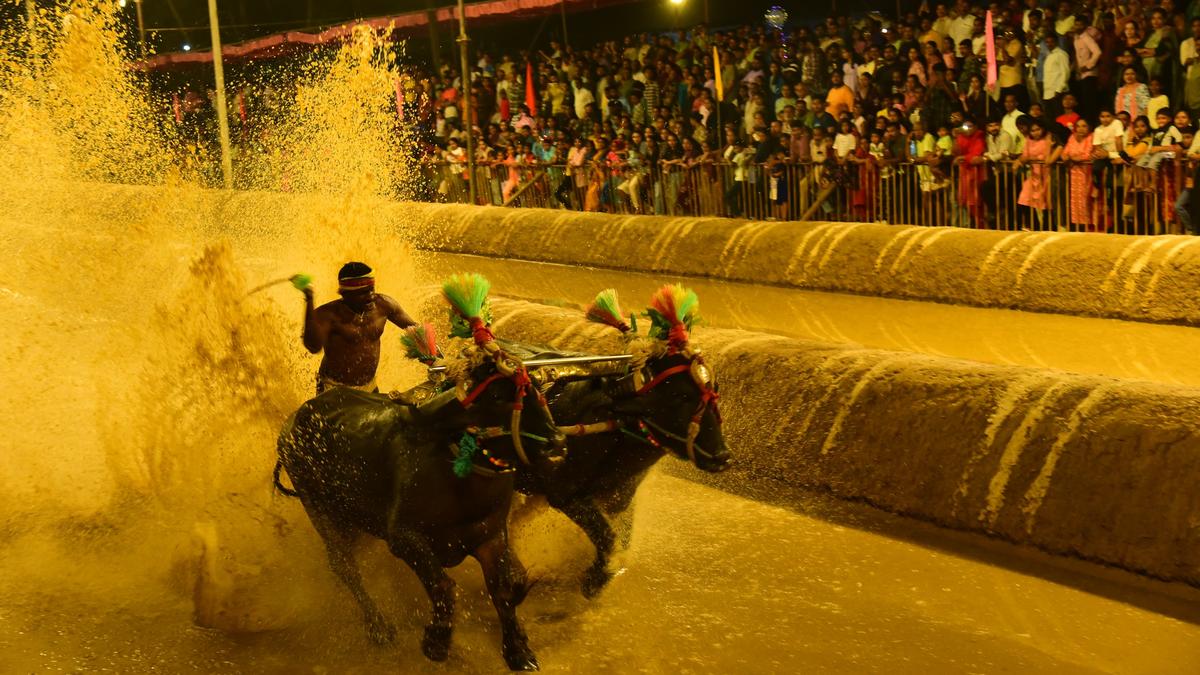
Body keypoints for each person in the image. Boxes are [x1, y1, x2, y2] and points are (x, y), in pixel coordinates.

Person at [299, 263, 418, 394]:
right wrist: (309, 300)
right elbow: (313, 347)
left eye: (372, 289)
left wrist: (435, 358)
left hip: (370, 388)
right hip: (333, 390)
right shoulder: (328, 315)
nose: (371, 296)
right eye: (363, 293)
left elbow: (415, 330)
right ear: (344, 294)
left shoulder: (384, 305)